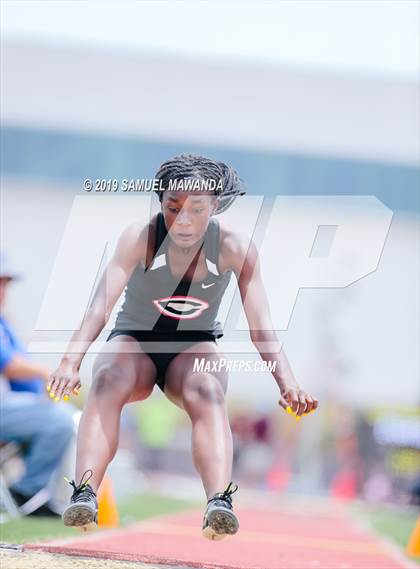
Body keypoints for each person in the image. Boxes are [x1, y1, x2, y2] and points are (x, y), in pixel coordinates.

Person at [48, 154, 318, 540]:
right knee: (107, 378)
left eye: (196, 209)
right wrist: (69, 362)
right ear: (161, 204)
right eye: (173, 208)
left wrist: (287, 383)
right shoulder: (139, 237)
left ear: (215, 206)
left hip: (194, 346)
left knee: (207, 389)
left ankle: (218, 502)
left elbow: (262, 327)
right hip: (135, 341)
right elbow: (99, 307)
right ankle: (85, 492)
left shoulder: (234, 247)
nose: (184, 220)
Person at [0, 253, 75, 516]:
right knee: (61, 421)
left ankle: (40, 495)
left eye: (6, 283)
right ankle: (26, 492)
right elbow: (9, 365)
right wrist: (47, 375)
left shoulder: (4, 323)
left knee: (62, 418)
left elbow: (20, 375)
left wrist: (43, 393)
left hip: (8, 409)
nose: (3, 289)